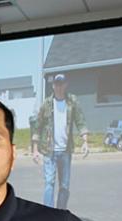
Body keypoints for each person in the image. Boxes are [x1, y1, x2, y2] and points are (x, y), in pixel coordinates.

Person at [32, 73, 89, 209]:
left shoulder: (72, 101)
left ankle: (60, 213)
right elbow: (37, 126)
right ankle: (48, 214)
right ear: (53, 86)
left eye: (61, 84)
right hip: (49, 150)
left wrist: (85, 141)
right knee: (49, 184)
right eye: (57, 84)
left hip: (65, 151)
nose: (59, 87)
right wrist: (34, 149)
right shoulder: (46, 104)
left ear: (66, 85)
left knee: (64, 185)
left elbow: (80, 121)